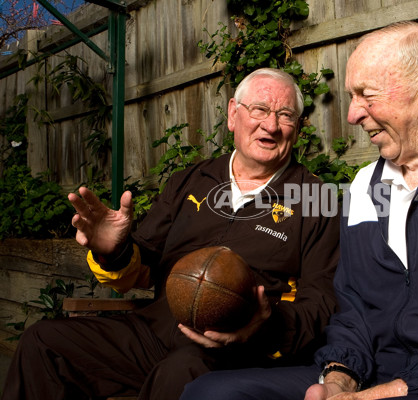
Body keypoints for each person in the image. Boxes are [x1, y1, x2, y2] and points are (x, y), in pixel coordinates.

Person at [179, 21, 418, 400]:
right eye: (352, 97)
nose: (352, 114)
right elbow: (354, 311)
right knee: (209, 392)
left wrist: (400, 390)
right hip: (378, 378)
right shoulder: (366, 184)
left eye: (367, 95)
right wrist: (339, 379)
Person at [1, 68, 340, 400]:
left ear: (297, 128)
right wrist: (115, 250)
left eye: (285, 115)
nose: (271, 125)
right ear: (234, 115)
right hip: (153, 331)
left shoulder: (316, 199)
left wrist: (263, 327)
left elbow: (321, 303)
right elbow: (145, 264)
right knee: (45, 342)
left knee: (181, 375)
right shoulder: (190, 180)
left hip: (235, 350)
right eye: (260, 110)